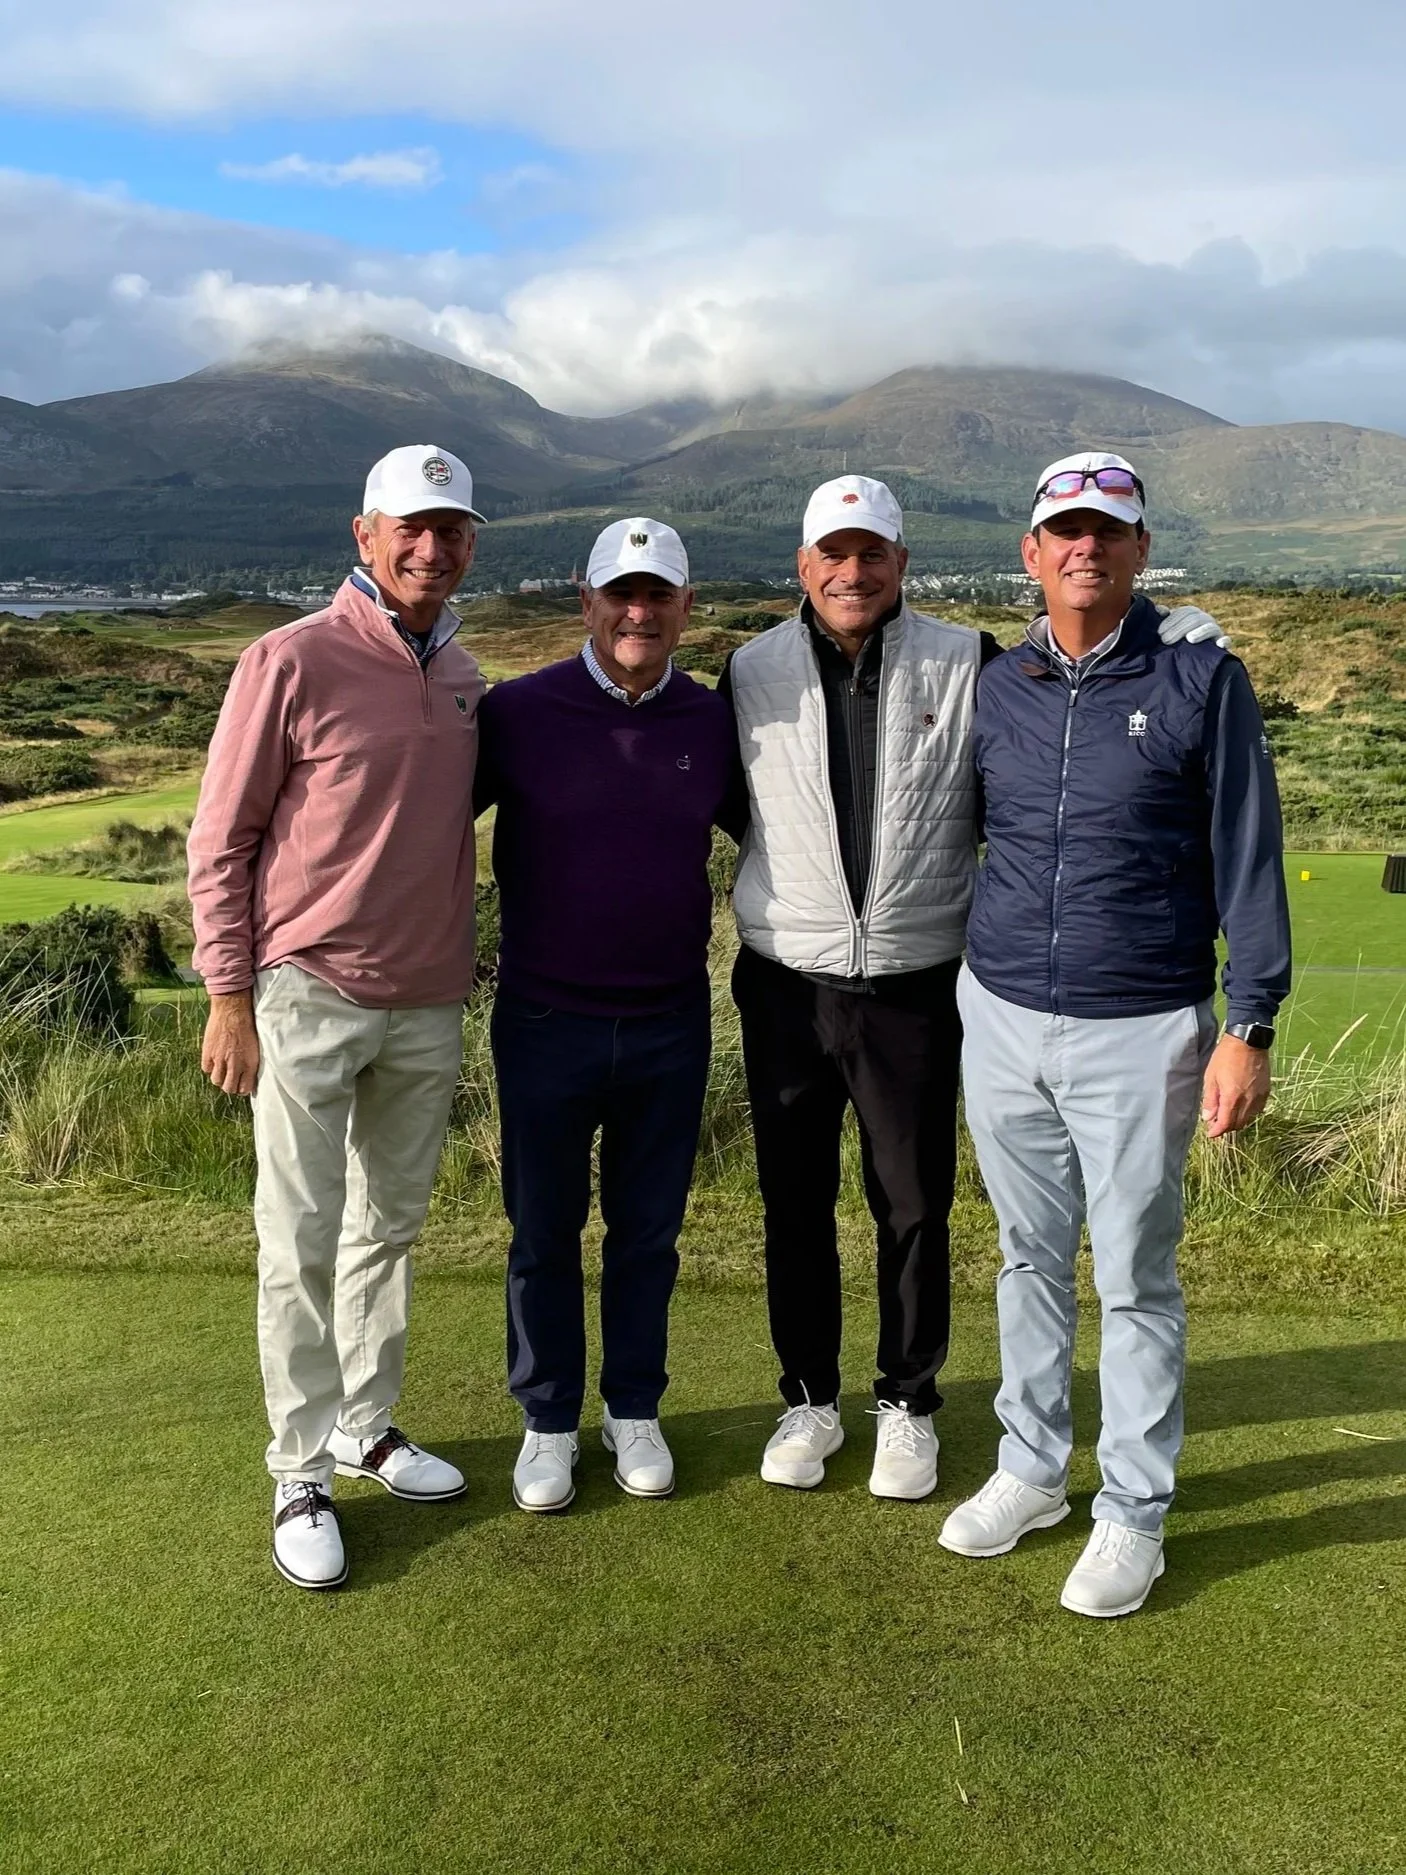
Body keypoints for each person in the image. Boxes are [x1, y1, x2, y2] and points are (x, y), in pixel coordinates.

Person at [719, 474, 1231, 1504]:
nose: (850, 572)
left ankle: (905, 1405)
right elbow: (739, 809)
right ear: (801, 566)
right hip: (784, 979)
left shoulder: (967, 660)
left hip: (914, 980)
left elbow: (1062, 718)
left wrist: (1170, 637)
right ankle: (808, 1398)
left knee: (911, 1205)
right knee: (793, 1204)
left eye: (871, 554)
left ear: (900, 564)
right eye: (832, 553)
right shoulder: (748, 668)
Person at [938, 451, 1291, 1616]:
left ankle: (1131, 1510)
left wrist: (1248, 1022)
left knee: (1133, 1278)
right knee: (1025, 1260)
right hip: (998, 1017)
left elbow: (1245, 853)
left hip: (1142, 1023)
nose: (1083, 547)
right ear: (1031, 554)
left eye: (1107, 530)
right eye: (1063, 531)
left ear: (1140, 551)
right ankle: (1030, 1466)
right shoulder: (996, 684)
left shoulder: (1199, 679)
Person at [188, 445, 486, 1590]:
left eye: (449, 530)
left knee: (387, 1229)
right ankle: (299, 1469)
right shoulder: (290, 658)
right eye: (408, 528)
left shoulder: (461, 673)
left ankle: (367, 1427)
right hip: (305, 992)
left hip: (425, 997)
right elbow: (221, 839)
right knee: (298, 1241)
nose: (428, 548)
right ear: (363, 536)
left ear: (469, 547)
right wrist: (226, 993)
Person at [475, 517, 740, 1513]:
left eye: (657, 595)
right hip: (544, 1019)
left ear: (684, 607)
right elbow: (413, 824)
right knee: (542, 1232)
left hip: (671, 1021)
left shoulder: (711, 723)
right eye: (618, 594)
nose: (638, 613)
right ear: (584, 602)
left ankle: (633, 1408)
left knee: (646, 1233)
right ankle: (547, 1421)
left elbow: (778, 834)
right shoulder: (516, 711)